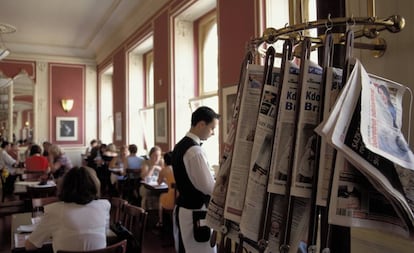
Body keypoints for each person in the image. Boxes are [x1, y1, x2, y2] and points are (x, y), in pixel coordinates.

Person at [25, 166, 110, 253]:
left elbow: (30, 245)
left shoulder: (55, 210)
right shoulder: (104, 206)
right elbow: (104, 233)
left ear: (64, 187)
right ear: (95, 185)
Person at [172, 106, 219, 253]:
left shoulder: (180, 145)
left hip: (185, 209)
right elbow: (208, 187)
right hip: (195, 212)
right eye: (212, 128)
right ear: (201, 124)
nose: (213, 133)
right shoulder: (195, 151)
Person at [156, 151, 177, 228]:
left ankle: (160, 221)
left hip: (172, 198)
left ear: (165, 161)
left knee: (162, 196)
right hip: (181, 197)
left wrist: (165, 180)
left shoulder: (164, 170)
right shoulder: (178, 168)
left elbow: (158, 182)